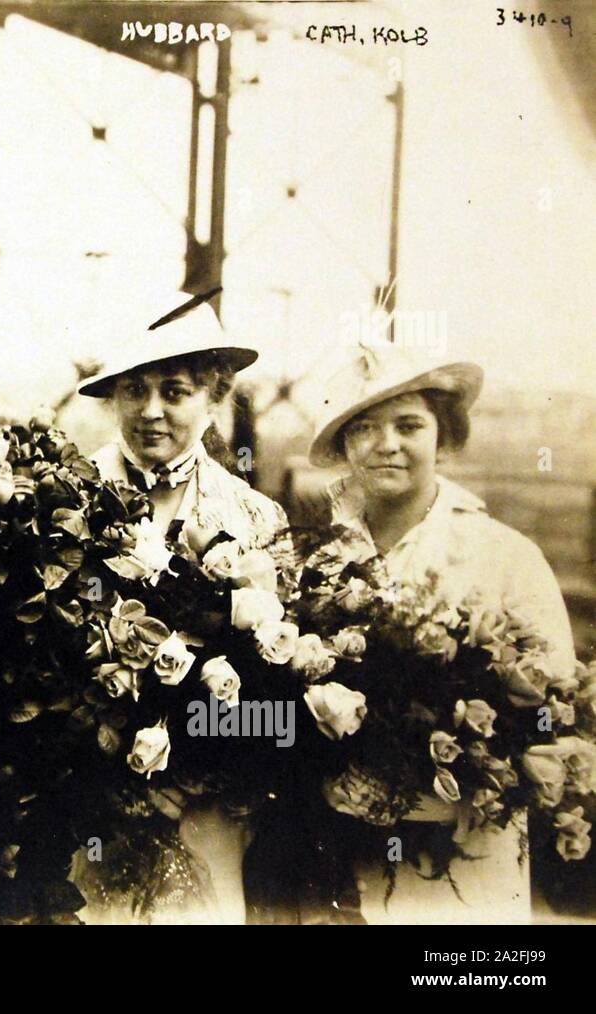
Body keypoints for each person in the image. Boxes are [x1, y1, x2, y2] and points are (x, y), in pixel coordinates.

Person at [303, 341, 576, 923]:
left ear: (442, 436)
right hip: (336, 855)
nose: (387, 445)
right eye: (365, 429)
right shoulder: (319, 563)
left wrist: (447, 785)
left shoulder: (502, 555)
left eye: (409, 426)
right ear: (345, 444)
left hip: (464, 862)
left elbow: (558, 715)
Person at [69, 290, 290, 924]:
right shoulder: (64, 503)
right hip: (87, 806)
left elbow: (280, 687)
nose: (152, 411)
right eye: (134, 390)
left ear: (215, 395)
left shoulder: (253, 517)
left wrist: (201, 768)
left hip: (205, 812)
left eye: (175, 390)